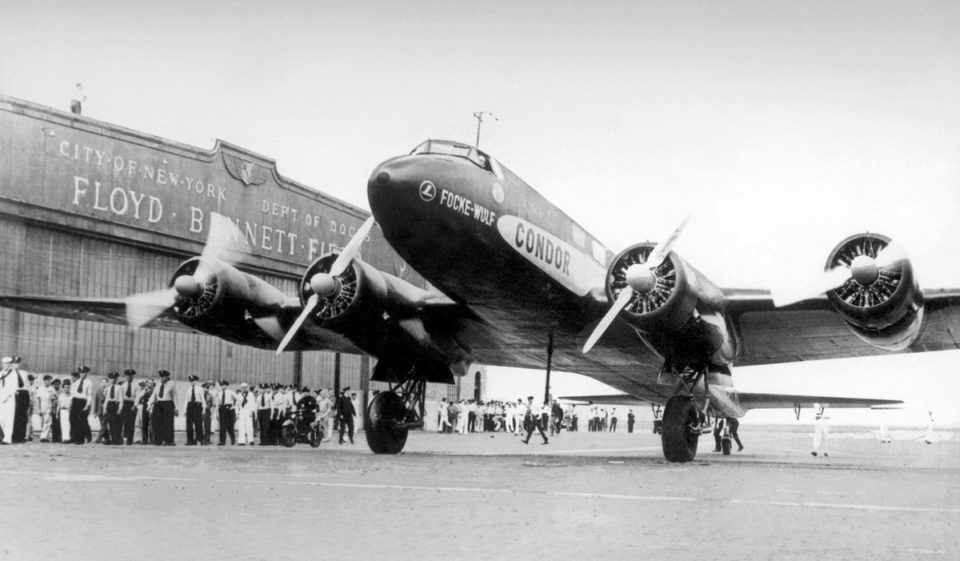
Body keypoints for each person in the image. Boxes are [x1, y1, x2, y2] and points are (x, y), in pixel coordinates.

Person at [149, 369, 176, 445]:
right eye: (161, 377)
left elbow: (175, 396)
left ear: (167, 377)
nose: (162, 378)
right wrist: (149, 405)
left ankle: (169, 441)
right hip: (158, 404)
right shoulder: (158, 384)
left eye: (163, 377)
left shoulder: (171, 384)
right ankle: (158, 440)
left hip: (168, 404)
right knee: (156, 422)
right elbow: (154, 395)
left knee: (168, 423)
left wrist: (176, 408)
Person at [10, 357, 31, 443]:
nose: (16, 365)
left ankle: (21, 436)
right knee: (13, 416)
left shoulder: (24, 373)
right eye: (14, 363)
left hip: (23, 394)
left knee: (22, 416)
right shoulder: (9, 373)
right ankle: (13, 436)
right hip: (14, 394)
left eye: (17, 363)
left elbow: (25, 385)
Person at [70, 366, 92, 444]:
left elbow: (89, 394)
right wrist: (71, 403)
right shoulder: (76, 382)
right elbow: (72, 393)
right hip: (75, 401)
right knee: (73, 419)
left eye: (84, 373)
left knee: (81, 420)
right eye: (81, 372)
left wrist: (87, 405)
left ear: (87, 373)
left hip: (83, 401)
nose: (82, 374)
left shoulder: (88, 382)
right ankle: (75, 438)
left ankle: (82, 438)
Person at [102, 371, 123, 445]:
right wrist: (104, 408)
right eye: (111, 378)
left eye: (114, 378)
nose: (113, 380)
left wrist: (120, 409)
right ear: (109, 379)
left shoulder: (119, 388)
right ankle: (106, 438)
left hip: (115, 405)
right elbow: (106, 399)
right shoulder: (107, 388)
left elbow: (121, 399)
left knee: (114, 424)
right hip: (108, 405)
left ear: (117, 379)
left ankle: (115, 440)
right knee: (104, 423)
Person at [183, 375, 205, 445]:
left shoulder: (200, 389)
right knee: (189, 425)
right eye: (191, 381)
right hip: (190, 407)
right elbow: (186, 400)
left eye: (193, 381)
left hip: (197, 406)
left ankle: (200, 439)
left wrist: (204, 409)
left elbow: (203, 399)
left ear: (196, 381)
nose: (192, 382)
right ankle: (190, 440)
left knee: (198, 424)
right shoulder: (189, 389)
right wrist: (185, 410)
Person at [119, 369, 137, 445]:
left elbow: (138, 397)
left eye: (131, 376)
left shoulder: (136, 385)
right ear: (125, 376)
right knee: (123, 422)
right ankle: (122, 439)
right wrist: (120, 407)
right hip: (124, 404)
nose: (129, 377)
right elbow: (120, 397)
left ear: (133, 376)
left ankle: (130, 440)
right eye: (127, 376)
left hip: (132, 404)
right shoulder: (122, 385)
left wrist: (135, 405)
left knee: (131, 423)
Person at [0, 357, 16, 444]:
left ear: (10, 364)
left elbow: (13, 388)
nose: (6, 365)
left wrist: (7, 397)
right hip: (0, 398)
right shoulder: (1, 373)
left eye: (8, 364)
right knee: (1, 418)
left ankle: (7, 438)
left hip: (9, 399)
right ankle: (2, 436)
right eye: (4, 363)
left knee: (9, 419)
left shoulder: (13, 374)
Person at [217, 380, 236, 446]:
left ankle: (233, 439)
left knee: (230, 426)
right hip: (222, 409)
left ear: (226, 385)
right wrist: (217, 412)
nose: (222, 386)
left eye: (224, 385)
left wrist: (233, 406)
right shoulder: (219, 393)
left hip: (229, 409)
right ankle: (222, 441)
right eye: (221, 385)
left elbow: (237, 399)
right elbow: (218, 402)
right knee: (222, 426)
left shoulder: (230, 392)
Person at [137, 380, 152, 444]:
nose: (147, 385)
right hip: (144, 408)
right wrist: (144, 391)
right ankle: (144, 439)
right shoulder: (143, 391)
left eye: (149, 384)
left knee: (151, 425)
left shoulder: (153, 391)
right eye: (147, 384)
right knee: (144, 424)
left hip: (151, 408)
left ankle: (152, 439)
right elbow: (139, 397)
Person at [57, 378, 72, 443]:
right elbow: (59, 405)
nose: (66, 389)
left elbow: (72, 404)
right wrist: (57, 413)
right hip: (62, 411)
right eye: (65, 387)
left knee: (69, 425)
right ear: (63, 388)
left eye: (68, 387)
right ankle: (64, 438)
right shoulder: (61, 395)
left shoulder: (71, 395)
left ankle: (68, 438)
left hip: (69, 411)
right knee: (63, 425)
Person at [50, 378, 63, 442]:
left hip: (60, 410)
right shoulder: (51, 391)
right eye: (55, 384)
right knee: (53, 424)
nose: (56, 385)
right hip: (53, 409)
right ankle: (54, 438)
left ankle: (59, 437)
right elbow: (51, 399)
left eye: (58, 384)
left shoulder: (61, 391)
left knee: (59, 424)